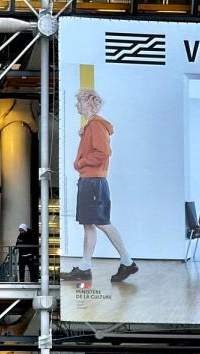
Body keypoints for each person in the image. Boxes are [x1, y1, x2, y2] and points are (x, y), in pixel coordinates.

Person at [65, 88, 138, 284]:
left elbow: (103, 153)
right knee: (90, 223)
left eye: (79, 101)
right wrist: (84, 135)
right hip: (91, 181)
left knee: (101, 222)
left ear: (88, 103)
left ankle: (127, 261)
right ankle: (85, 266)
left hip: (93, 182)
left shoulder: (96, 125)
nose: (76, 105)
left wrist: (79, 164)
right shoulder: (92, 126)